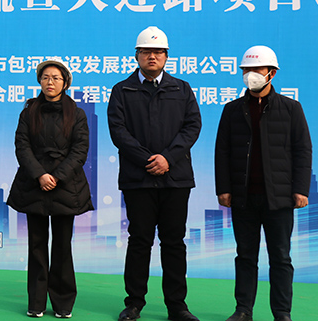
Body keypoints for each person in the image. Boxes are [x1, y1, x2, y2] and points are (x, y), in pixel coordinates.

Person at [107, 26, 202, 321]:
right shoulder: (122, 90)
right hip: (139, 179)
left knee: (174, 243)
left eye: (158, 51)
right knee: (139, 241)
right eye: (146, 51)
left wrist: (168, 158)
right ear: (136, 55)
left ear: (166, 56)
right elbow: (118, 131)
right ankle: (134, 303)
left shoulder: (181, 88)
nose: (152, 56)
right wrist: (149, 160)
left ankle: (177, 306)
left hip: (175, 179)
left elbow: (192, 126)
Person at [214, 46, 311, 321]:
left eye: (256, 70)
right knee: (245, 256)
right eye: (246, 70)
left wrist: (300, 189)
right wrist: (224, 189)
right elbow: (222, 151)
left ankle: (281, 312)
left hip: (278, 197)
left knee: (280, 257)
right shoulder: (232, 110)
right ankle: (243, 309)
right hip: (243, 196)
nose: (251, 75)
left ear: (272, 73)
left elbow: (303, 150)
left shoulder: (291, 109)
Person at [8, 60, 93, 319]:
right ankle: (36, 303)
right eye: (45, 77)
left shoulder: (76, 113)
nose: (50, 82)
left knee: (62, 246)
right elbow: (22, 146)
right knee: (36, 245)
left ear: (65, 82)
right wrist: (40, 175)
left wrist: (56, 176)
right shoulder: (29, 112)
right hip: (34, 185)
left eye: (56, 77)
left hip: (65, 186)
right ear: (39, 81)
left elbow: (80, 150)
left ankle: (63, 303)